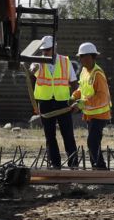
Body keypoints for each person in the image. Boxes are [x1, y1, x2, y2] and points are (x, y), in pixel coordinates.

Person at [29, 35, 79, 169]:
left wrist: (77, 100)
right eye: (43, 50)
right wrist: (32, 69)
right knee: (50, 136)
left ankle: (73, 164)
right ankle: (55, 164)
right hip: (45, 103)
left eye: (48, 49)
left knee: (68, 134)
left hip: (63, 102)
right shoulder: (38, 62)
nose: (45, 52)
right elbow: (32, 68)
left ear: (55, 47)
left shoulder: (65, 61)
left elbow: (73, 82)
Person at [71, 41, 111, 170]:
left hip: (100, 114)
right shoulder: (84, 71)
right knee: (93, 142)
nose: (81, 59)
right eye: (80, 57)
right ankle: (97, 166)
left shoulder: (97, 74)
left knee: (92, 142)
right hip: (90, 114)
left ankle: (100, 167)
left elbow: (102, 97)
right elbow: (82, 88)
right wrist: (74, 96)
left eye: (83, 56)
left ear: (91, 56)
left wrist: (83, 103)